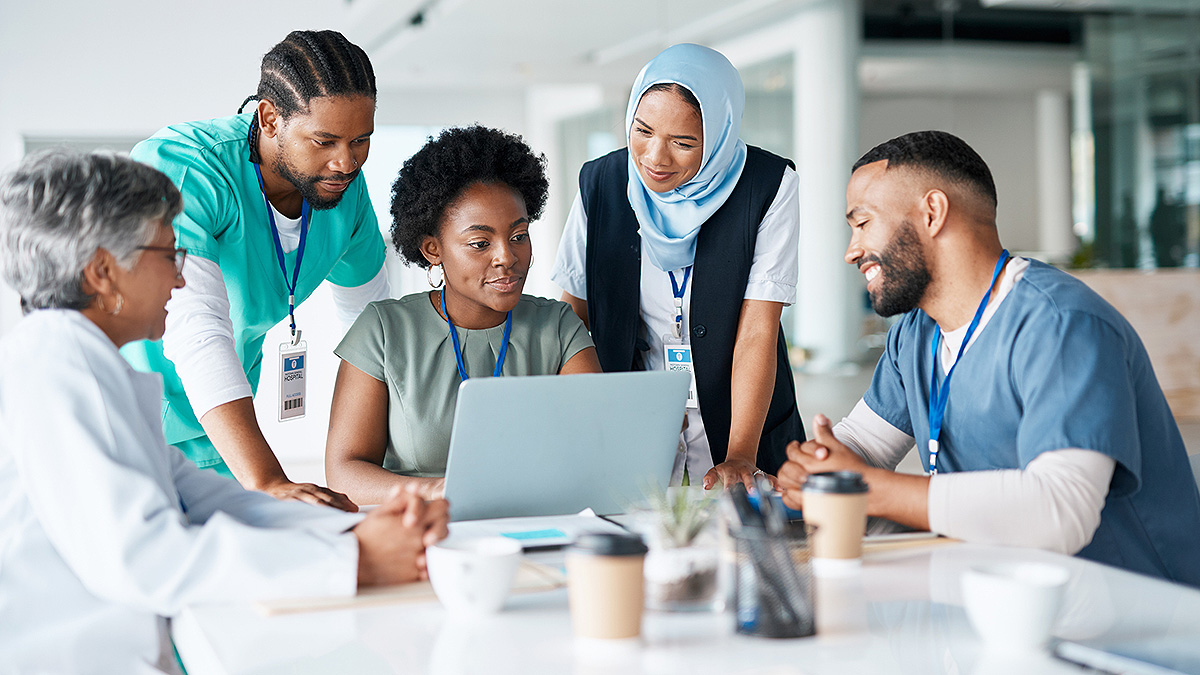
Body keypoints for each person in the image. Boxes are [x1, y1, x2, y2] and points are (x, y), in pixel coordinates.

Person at [0, 151, 449, 674]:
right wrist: (356, 561)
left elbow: (203, 500)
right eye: (169, 256)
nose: (180, 281)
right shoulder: (60, 367)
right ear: (103, 272)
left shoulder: (86, 364)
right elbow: (144, 557)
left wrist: (354, 531)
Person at [776, 130, 1200, 586]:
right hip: (1008, 596)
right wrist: (815, 467)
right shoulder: (916, 333)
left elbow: (1060, 510)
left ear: (933, 213)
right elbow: (863, 446)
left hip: (1133, 614)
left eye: (862, 223)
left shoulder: (1062, 324)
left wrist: (859, 485)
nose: (851, 251)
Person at [121, 30, 389, 511]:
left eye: (361, 140)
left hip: (219, 440)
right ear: (269, 118)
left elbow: (373, 332)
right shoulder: (189, 169)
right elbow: (193, 326)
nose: (346, 162)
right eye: (324, 140)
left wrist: (381, 462)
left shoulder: (343, 190)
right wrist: (267, 479)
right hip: (126, 425)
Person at [552, 43, 805, 491]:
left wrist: (741, 454)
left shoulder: (767, 186)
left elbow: (757, 330)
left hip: (742, 421)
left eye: (684, 142)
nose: (654, 157)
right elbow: (572, 316)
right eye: (643, 130)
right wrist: (584, 421)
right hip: (633, 420)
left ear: (720, 134)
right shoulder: (601, 183)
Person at [325, 125, 601, 504]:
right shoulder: (384, 330)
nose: (507, 256)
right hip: (421, 532)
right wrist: (441, 492)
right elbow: (345, 473)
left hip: (536, 524)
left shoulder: (558, 328)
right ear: (433, 249)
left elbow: (597, 450)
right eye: (480, 243)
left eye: (518, 236)